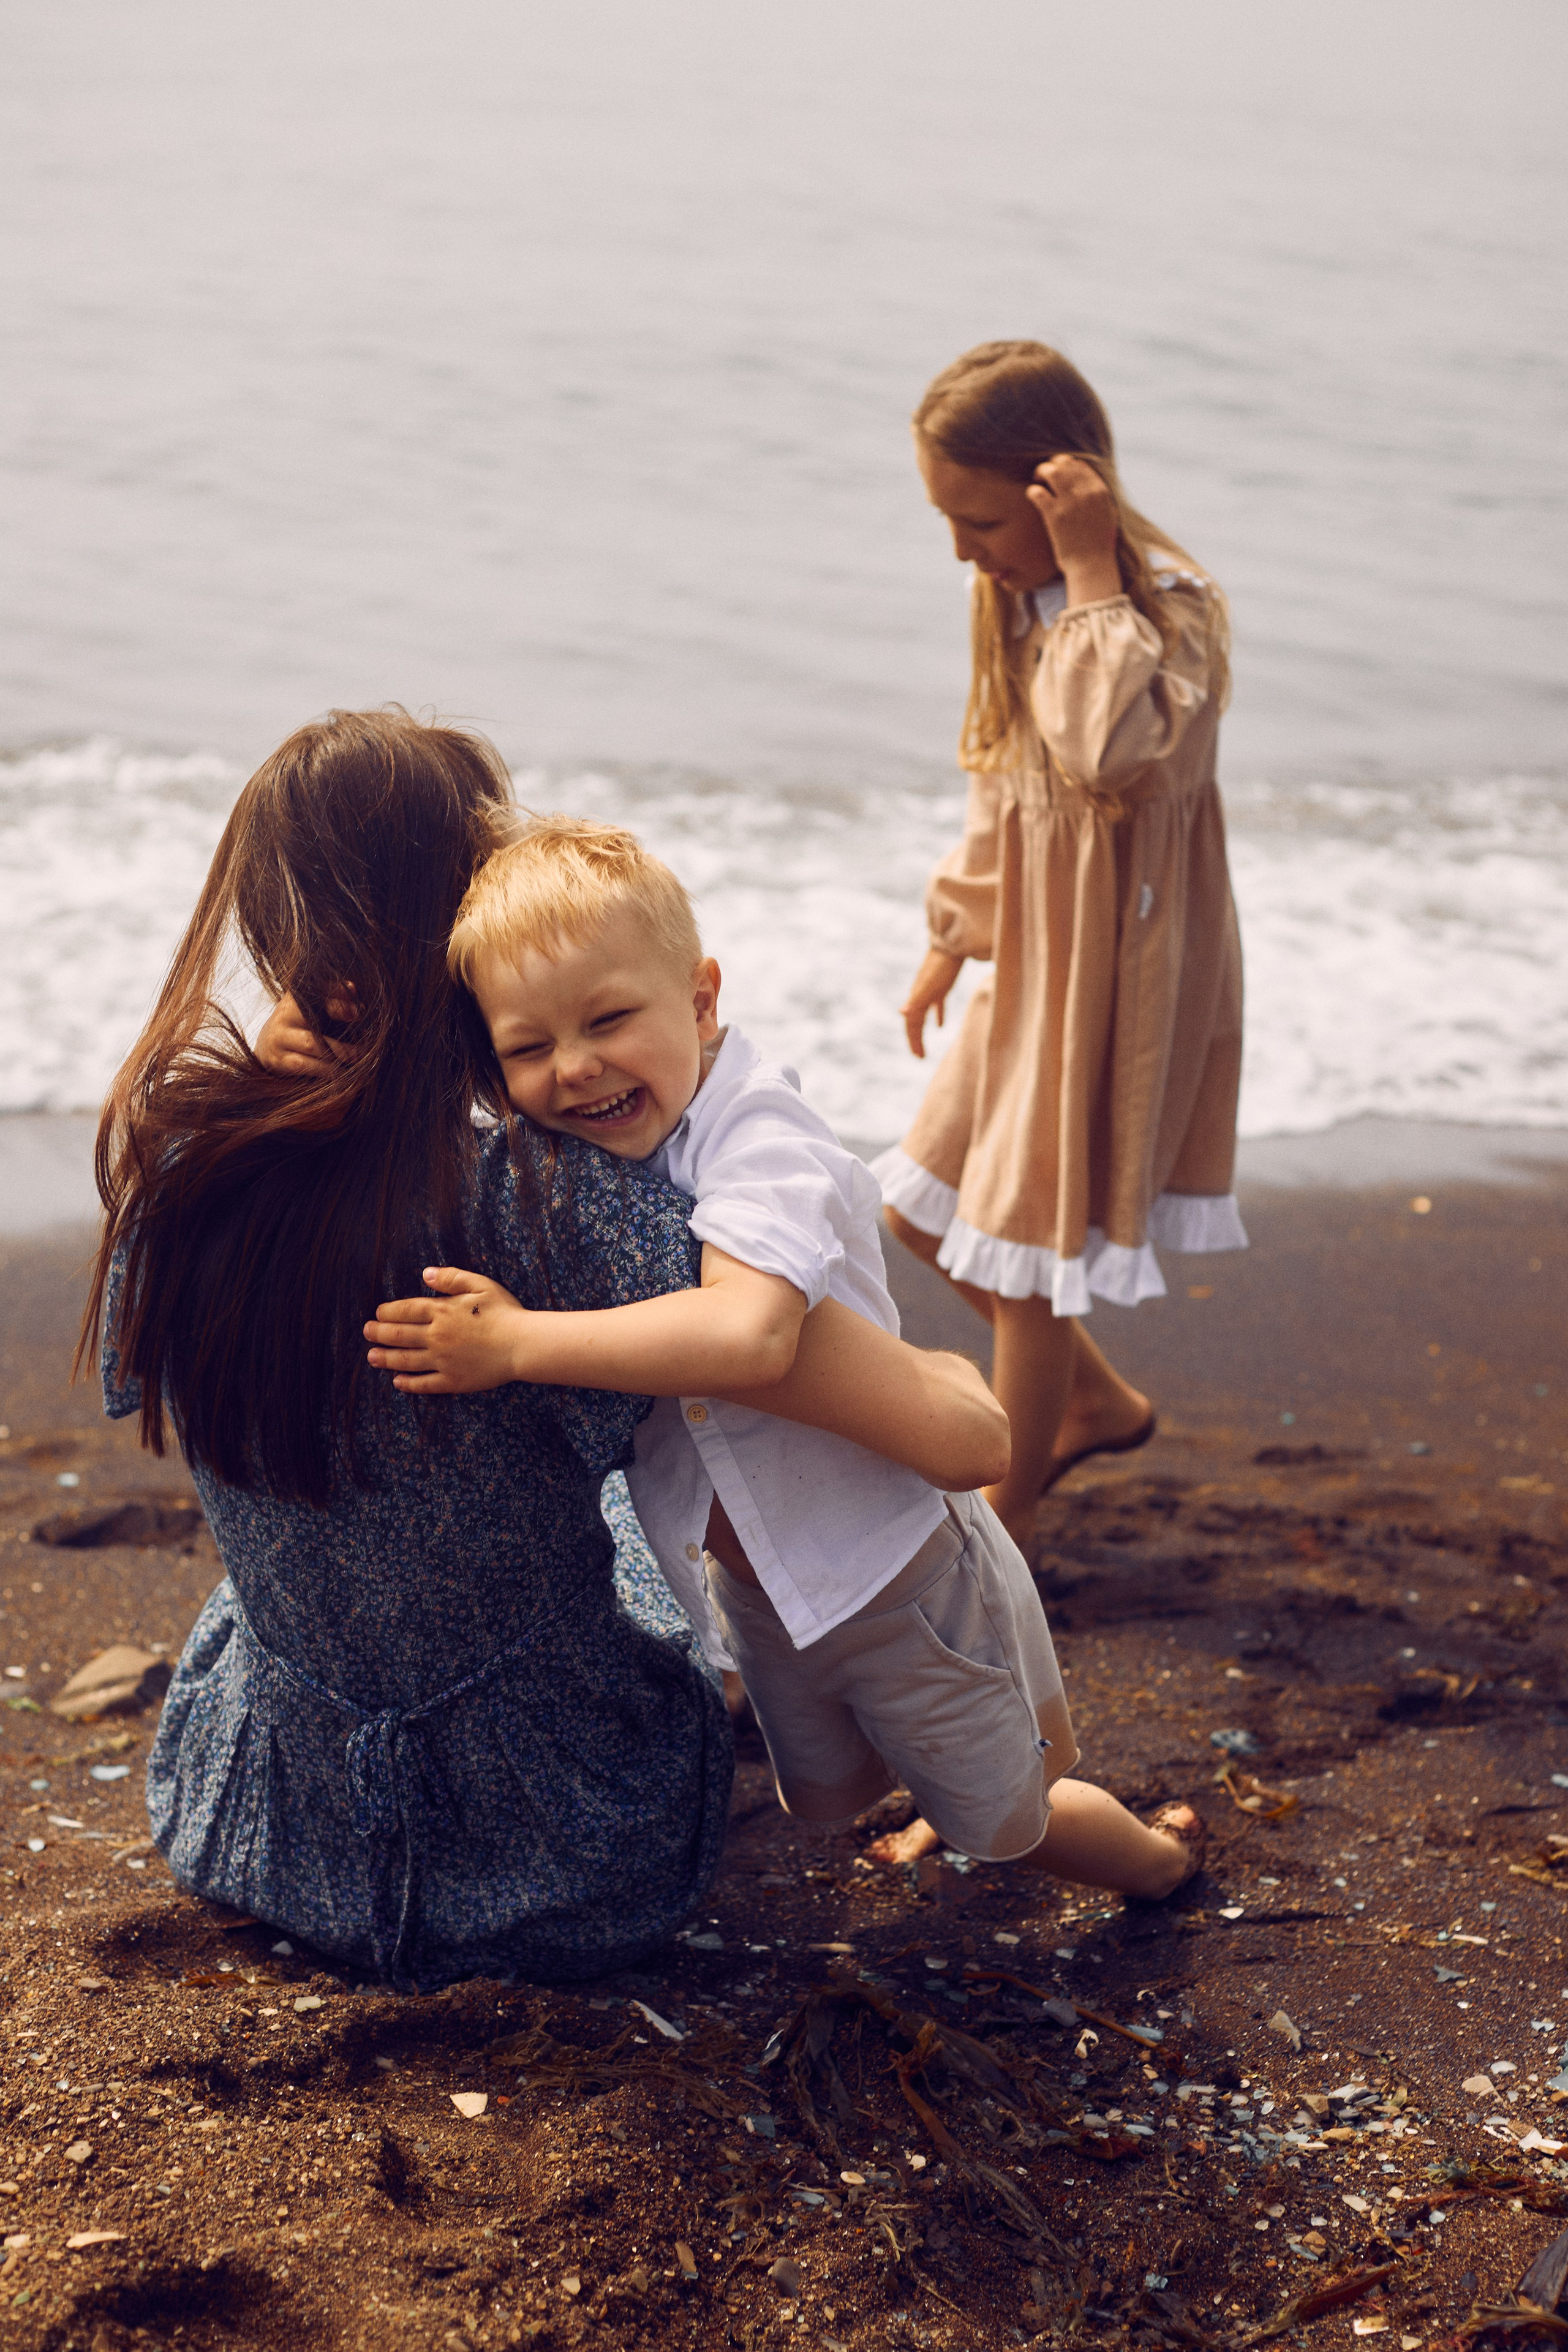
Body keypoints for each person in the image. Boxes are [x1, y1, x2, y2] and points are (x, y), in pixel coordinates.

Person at [79, 708, 1009, 1992]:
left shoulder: (184, 1156)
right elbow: (960, 1434)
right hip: (568, 1852)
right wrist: (957, 1375)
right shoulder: (551, 1201)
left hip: (267, 1827)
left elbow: (138, 1371)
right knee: (633, 1511)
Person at [361, 816, 1205, 1904]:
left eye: (610, 1019)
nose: (574, 1069)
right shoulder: (596, 1146)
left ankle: (1154, 1863)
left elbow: (750, 1335)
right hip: (760, 1592)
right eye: (528, 1048)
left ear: (703, 1000)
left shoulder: (764, 1138)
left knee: (1009, 1818)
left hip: (893, 1571)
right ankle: (937, 1803)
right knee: (841, 1784)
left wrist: (517, 1342)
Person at [873, 339, 1248, 1550]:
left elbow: (1102, 752)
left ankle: (1013, 1506)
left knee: (1026, 1257)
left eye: (977, 520)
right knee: (920, 1211)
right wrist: (951, 934)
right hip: (1027, 963)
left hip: (1112, 980)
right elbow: (1006, 785)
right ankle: (1086, 1398)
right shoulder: (1011, 603)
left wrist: (1090, 576)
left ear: (1061, 492)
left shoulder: (1166, 616)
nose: (957, 552)